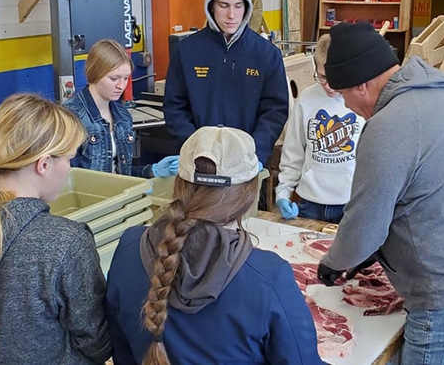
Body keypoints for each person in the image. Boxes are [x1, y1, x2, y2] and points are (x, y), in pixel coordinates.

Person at [316, 22, 444, 365]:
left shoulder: (387, 125)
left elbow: (364, 222)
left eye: (344, 95)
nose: (347, 106)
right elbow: (441, 188)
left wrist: (335, 262)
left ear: (363, 85)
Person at [105, 126, 322, 365]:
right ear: (249, 193)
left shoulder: (128, 247)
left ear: (178, 185)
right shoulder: (269, 276)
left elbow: (120, 351)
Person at [0, 93, 111, 364]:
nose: (68, 169)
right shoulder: (67, 241)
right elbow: (95, 341)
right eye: (68, 160)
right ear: (43, 164)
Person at [163, 0, 289, 167]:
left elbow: (275, 110)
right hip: (199, 160)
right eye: (224, 5)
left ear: (247, 8)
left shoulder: (266, 54)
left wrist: (256, 153)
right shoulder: (187, 51)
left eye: (238, 6)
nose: (232, 14)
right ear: (211, 6)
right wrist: (193, 147)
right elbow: (175, 105)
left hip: (246, 162)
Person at [275, 34, 364, 223]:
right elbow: (294, 152)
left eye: (334, 78)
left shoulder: (362, 101)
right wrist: (283, 191)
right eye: (322, 77)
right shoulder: (306, 99)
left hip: (351, 202)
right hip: (310, 202)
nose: (328, 86)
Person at [65, 39, 179, 178]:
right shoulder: (70, 117)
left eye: (126, 78)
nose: (121, 85)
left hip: (119, 196)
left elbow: (124, 174)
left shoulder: (123, 116)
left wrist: (151, 171)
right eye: (114, 79)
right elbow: (67, 178)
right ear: (94, 73)